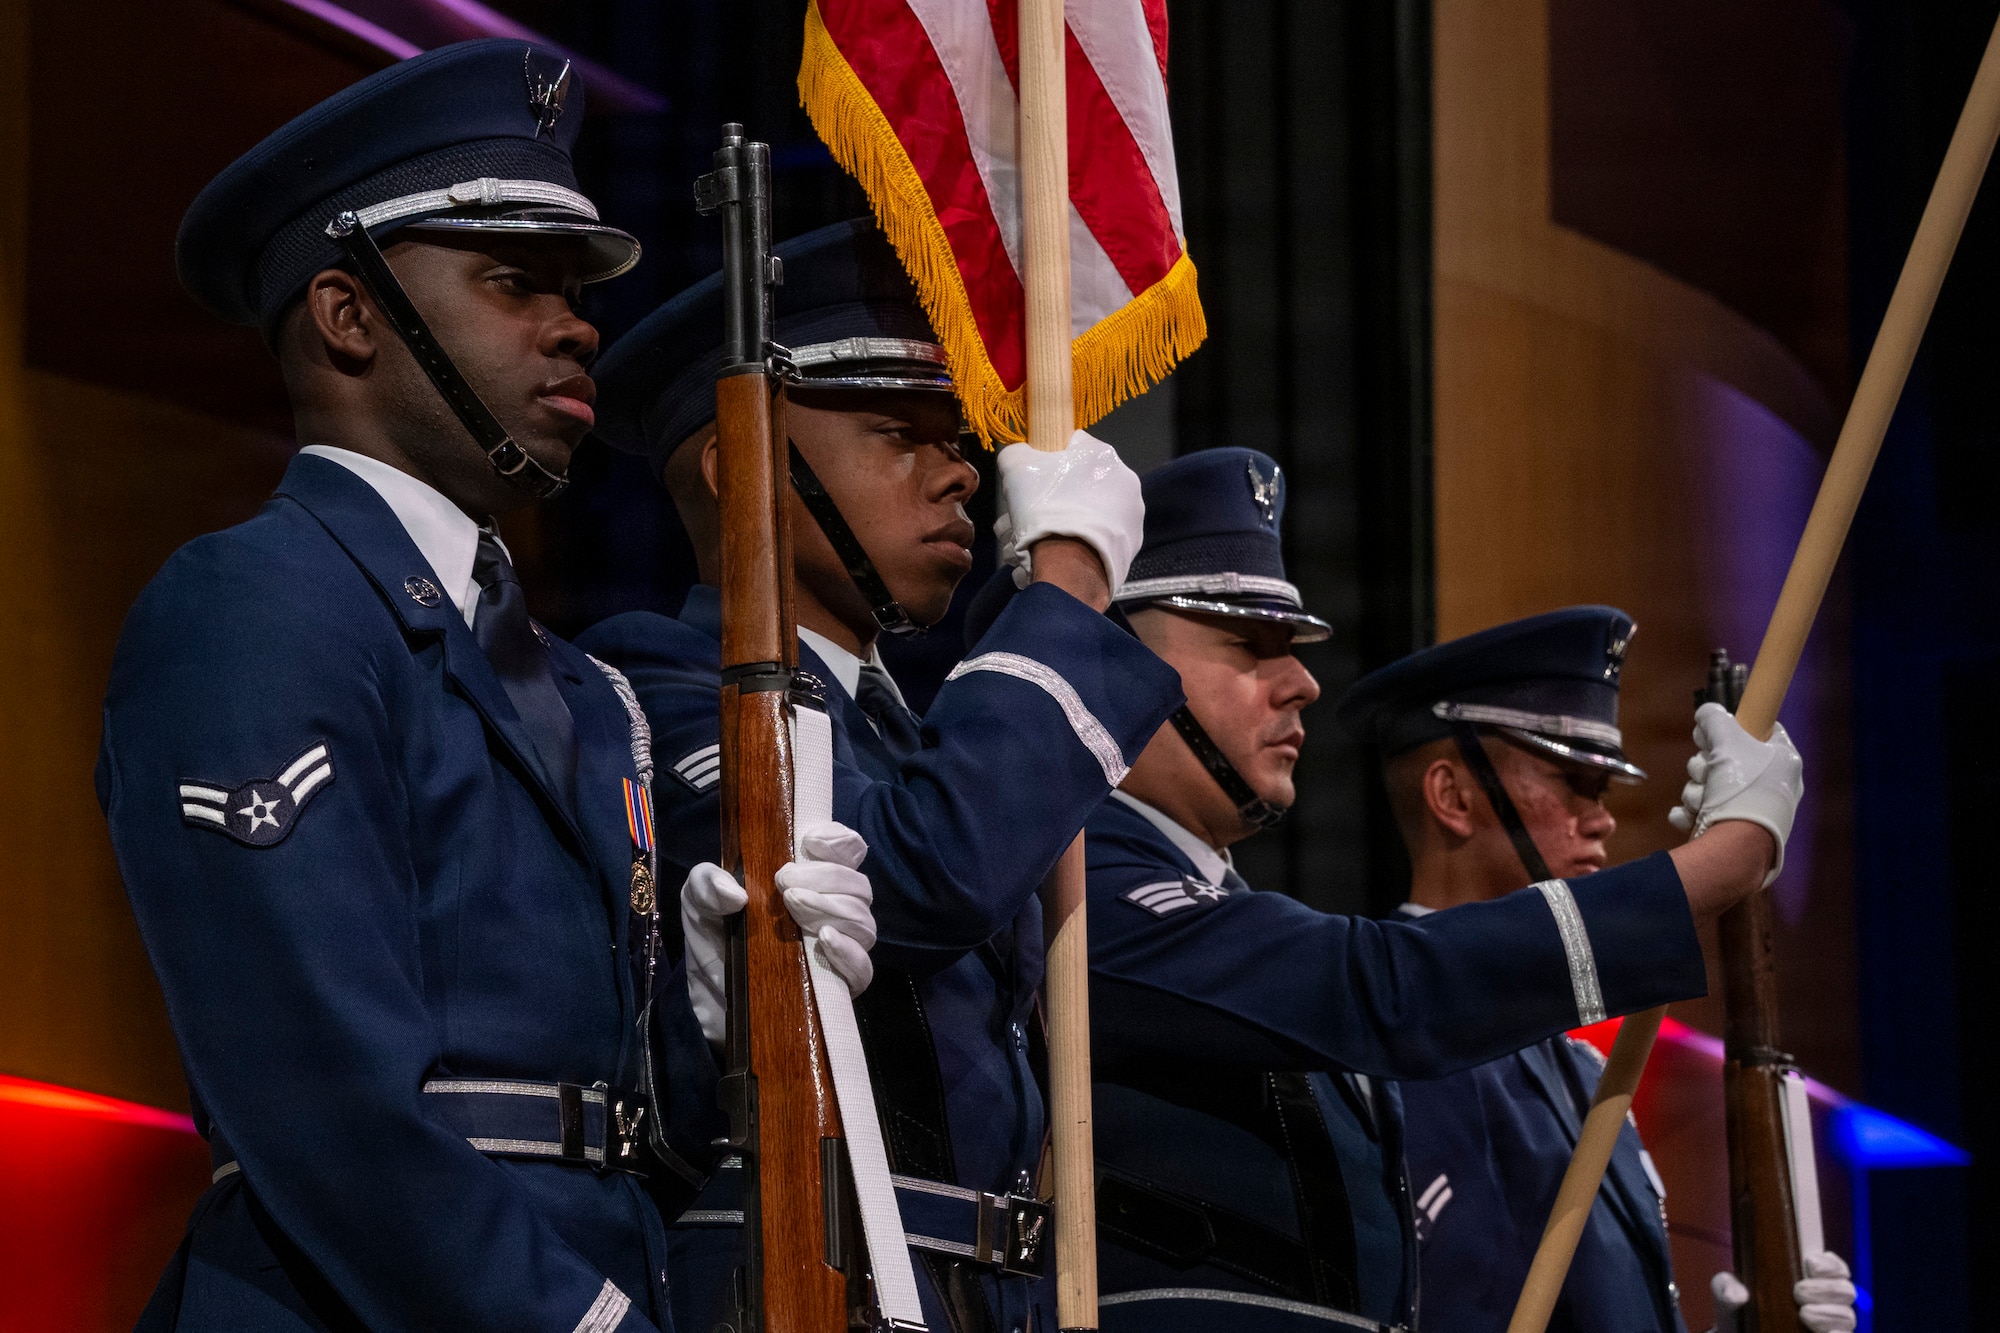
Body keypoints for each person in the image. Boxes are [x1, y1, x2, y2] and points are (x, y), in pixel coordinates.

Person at [98, 42, 875, 1332]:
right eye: (515, 282)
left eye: (575, 290)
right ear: (349, 316)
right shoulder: (254, 604)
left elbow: (623, 1128)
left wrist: (714, 1014)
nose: (576, 325)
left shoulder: (583, 689)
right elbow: (323, 1094)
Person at [1014, 447, 1798, 1333]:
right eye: (1248, 642)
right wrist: (1722, 860)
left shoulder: (1221, 910)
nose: (1303, 680)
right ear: (1111, 655)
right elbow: (1382, 987)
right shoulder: (1083, 888)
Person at [576, 219, 1183, 1333]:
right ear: (740, 463)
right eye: (896, 433)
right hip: (805, 1285)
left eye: (953, 437)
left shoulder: (914, 727)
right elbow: (916, 874)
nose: (958, 472)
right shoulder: (658, 683)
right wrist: (1064, 587)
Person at [1340, 610, 1858, 1333]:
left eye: (1604, 789)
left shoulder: (1582, 1070)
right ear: (1452, 796)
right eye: (1574, 781)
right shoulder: (1381, 1040)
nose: (1602, 818)